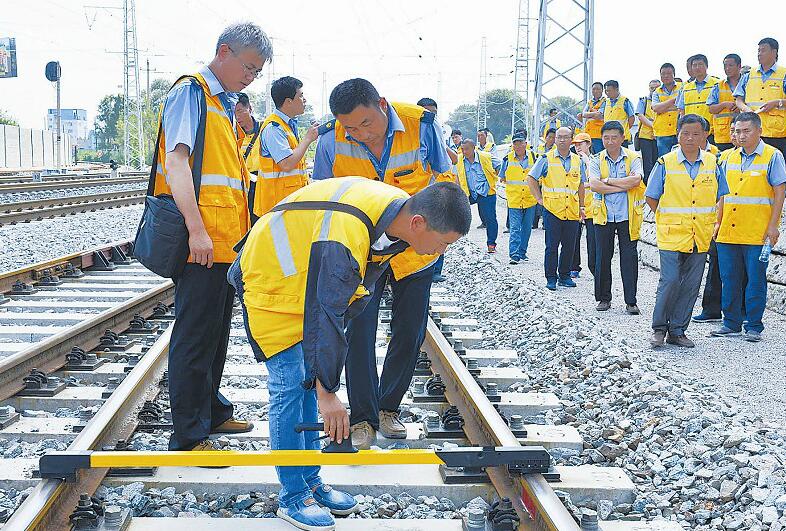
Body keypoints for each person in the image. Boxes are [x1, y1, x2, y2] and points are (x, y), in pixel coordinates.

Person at [229, 178, 471, 531]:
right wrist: (329, 393)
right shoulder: (347, 233)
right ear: (419, 223)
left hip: (302, 279)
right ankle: (292, 496)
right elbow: (327, 310)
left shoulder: (396, 214)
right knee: (290, 385)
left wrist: (324, 381)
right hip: (272, 282)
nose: (442, 252)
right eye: (443, 242)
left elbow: (341, 300)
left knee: (307, 384)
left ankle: (310, 482)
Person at [312, 78, 451, 449]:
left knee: (409, 331)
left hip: (415, 250)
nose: (360, 134)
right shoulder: (331, 141)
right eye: (351, 128)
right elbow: (322, 195)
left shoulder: (422, 125)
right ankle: (362, 417)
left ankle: (389, 408)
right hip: (362, 253)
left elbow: (446, 177)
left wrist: (444, 229)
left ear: (383, 105)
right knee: (358, 333)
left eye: (366, 124)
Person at [152, 23, 272, 452]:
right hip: (202, 241)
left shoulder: (223, 104)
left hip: (226, 242)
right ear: (224, 51)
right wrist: (196, 230)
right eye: (248, 67)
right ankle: (188, 433)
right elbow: (178, 163)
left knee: (217, 332)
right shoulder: (192, 92)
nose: (251, 76)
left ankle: (213, 410)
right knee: (195, 334)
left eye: (257, 72)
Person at [646, 115, 729, 348]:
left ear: (705, 136)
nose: (690, 138)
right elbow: (652, 197)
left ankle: (678, 330)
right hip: (672, 232)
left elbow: (720, 195)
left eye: (696, 133)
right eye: (685, 133)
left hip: (700, 234)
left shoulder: (714, 163)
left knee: (692, 283)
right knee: (670, 280)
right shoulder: (665, 162)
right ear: (677, 135)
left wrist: (713, 222)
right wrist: (667, 217)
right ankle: (659, 328)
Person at [710, 112, 786, 342]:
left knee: (755, 280)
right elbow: (721, 195)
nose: (740, 136)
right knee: (729, 278)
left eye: (746, 131)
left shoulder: (773, 156)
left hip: (757, 232)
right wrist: (717, 222)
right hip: (728, 231)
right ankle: (730, 322)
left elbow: (780, 191)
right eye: (737, 131)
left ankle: (754, 325)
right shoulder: (727, 158)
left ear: (759, 131)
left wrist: (774, 226)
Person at [588, 121, 645, 314]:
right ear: (602, 138)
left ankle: (631, 301)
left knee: (629, 258)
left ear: (622, 138)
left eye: (614, 137)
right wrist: (624, 184)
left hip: (627, 215)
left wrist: (609, 182)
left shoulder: (633, 157)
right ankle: (604, 298)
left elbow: (636, 180)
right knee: (602, 257)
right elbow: (594, 185)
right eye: (606, 137)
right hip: (603, 215)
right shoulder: (596, 159)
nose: (610, 141)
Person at [528, 127, 587, 290]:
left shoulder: (578, 161)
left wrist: (582, 205)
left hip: (572, 210)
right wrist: (539, 199)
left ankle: (565, 275)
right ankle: (551, 278)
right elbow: (531, 178)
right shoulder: (546, 158)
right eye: (558, 137)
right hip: (553, 210)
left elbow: (581, 184)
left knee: (570, 246)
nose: (561, 140)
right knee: (552, 246)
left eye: (565, 137)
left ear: (571, 140)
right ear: (555, 140)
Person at [693, 129, 742, 324]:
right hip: (719, 219)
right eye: (733, 131)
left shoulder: (767, 156)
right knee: (715, 265)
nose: (735, 135)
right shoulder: (721, 157)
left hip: (745, 221)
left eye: (738, 131)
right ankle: (712, 309)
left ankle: (741, 312)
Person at [253, 76, 319, 221]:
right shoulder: (274, 128)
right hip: (276, 208)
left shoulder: (287, 125)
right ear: (288, 101)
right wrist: (308, 139)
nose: (305, 100)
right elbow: (287, 164)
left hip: (288, 205)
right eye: (301, 96)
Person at [417, 97, 455, 283]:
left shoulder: (439, 136)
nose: (430, 116)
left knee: (438, 230)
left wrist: (440, 144)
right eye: (426, 113)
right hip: (417, 193)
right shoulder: (410, 136)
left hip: (437, 192)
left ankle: (434, 269)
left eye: (433, 113)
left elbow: (452, 161)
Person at [734, 37, 786, 156]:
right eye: (758, 51)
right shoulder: (748, 75)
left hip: (777, 132)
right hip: (751, 129)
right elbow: (738, 100)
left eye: (763, 50)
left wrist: (777, 102)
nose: (759, 54)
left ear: (774, 52)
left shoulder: (784, 74)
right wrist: (746, 110)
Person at [456, 139, 502, 253]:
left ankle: (491, 244)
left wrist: (497, 176)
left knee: (490, 218)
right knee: (457, 214)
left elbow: (500, 165)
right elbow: (457, 175)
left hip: (486, 192)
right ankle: (456, 240)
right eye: (462, 149)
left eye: (466, 149)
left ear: (474, 148)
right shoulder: (460, 160)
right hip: (469, 192)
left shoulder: (486, 157)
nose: (464, 151)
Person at [500, 130, 537, 263]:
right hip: (514, 199)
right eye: (515, 143)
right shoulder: (507, 159)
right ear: (513, 145)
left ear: (525, 143)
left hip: (530, 198)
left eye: (520, 142)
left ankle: (522, 252)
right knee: (515, 227)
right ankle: (514, 254)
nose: (518, 146)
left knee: (527, 228)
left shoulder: (535, 157)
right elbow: (502, 177)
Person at [677, 54, 720, 144]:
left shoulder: (717, 84)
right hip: (691, 134)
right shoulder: (686, 87)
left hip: (712, 132)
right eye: (694, 65)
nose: (697, 68)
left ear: (706, 66)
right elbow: (682, 111)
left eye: (700, 64)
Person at [573, 132, 597, 278]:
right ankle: (574, 267)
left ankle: (594, 267)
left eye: (580, 144)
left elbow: (596, 180)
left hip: (592, 207)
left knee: (592, 240)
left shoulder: (595, 160)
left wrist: (587, 160)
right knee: (574, 238)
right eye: (575, 145)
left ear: (588, 144)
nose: (577, 147)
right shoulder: (573, 161)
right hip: (576, 205)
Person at [584, 80, 635, 147]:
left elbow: (631, 118)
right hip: (608, 138)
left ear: (616, 89)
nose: (607, 93)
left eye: (609, 91)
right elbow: (598, 114)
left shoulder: (625, 101)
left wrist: (624, 129)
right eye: (606, 91)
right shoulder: (605, 102)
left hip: (621, 137)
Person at [708, 54, 743, 151]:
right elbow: (711, 109)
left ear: (739, 66)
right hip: (723, 135)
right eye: (725, 66)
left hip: (743, 134)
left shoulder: (747, 83)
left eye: (731, 65)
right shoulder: (718, 86)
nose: (727, 68)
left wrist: (741, 106)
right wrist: (724, 105)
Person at [236, 93, 262, 219]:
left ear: (250, 109)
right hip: (244, 185)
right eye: (234, 113)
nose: (237, 117)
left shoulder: (264, 129)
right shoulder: (233, 135)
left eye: (240, 111)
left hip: (262, 183)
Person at [652, 63, 682, 156]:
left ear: (674, 74)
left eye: (669, 73)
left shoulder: (683, 87)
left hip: (680, 131)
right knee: (665, 161)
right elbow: (656, 108)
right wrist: (674, 100)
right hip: (662, 133)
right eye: (663, 74)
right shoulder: (656, 92)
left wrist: (663, 106)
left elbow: (682, 106)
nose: (666, 76)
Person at [637, 80, 660, 179]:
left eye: (656, 88)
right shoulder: (643, 100)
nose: (654, 90)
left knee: (658, 161)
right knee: (647, 163)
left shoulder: (663, 100)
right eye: (652, 88)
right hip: (645, 136)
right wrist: (655, 126)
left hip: (660, 136)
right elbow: (640, 116)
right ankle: (648, 185)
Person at [578, 82, 605, 154]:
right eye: (594, 89)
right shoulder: (589, 102)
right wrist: (594, 113)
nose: (596, 91)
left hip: (599, 134)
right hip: (588, 134)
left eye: (598, 89)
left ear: (602, 90)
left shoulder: (605, 101)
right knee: (588, 155)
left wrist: (589, 114)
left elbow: (600, 115)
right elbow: (583, 114)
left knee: (599, 155)